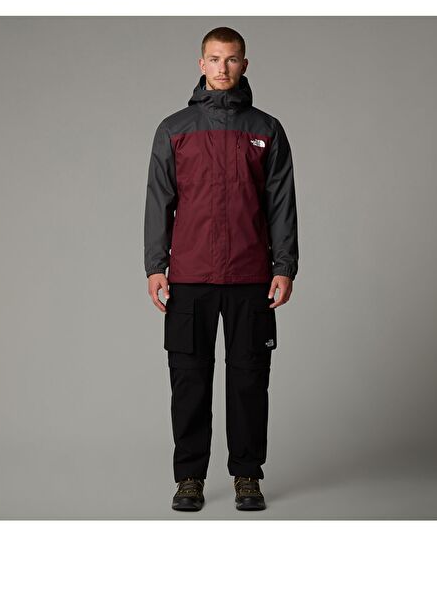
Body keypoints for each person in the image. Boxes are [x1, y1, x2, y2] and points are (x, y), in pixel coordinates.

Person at [144, 26, 299, 511]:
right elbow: (159, 201)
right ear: (201, 64)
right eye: (214, 59)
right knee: (188, 380)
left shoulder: (266, 129)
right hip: (189, 277)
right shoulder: (174, 129)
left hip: (251, 276)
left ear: (244, 65)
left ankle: (247, 476)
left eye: (231, 59)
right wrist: (155, 265)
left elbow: (281, 203)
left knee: (250, 380)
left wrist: (285, 265)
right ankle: (189, 478)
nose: (222, 67)